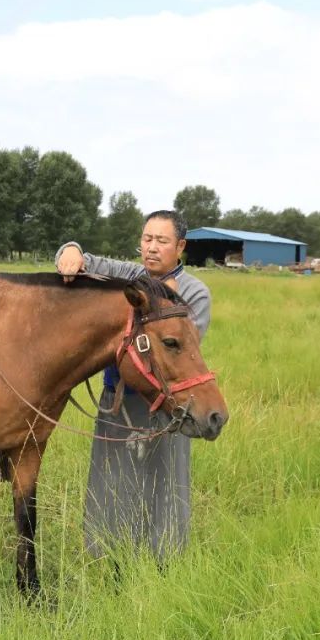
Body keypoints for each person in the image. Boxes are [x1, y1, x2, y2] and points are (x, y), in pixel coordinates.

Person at [55, 210, 212, 559]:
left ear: (180, 246)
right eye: (147, 238)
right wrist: (71, 249)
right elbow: (85, 260)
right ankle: (108, 555)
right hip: (118, 398)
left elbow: (178, 351)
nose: (152, 247)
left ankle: (162, 560)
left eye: (162, 240)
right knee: (112, 479)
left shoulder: (193, 293)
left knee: (163, 482)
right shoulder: (129, 276)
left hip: (167, 404)